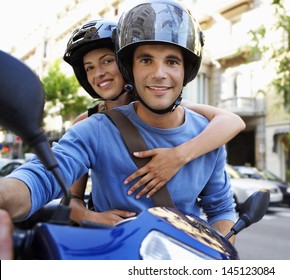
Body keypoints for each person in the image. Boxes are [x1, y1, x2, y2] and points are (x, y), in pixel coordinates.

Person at [0, 0, 237, 249]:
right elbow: (42, 178)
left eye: (172, 61)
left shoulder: (206, 133)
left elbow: (221, 209)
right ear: (130, 68)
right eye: (145, 60)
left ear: (186, 69)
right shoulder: (92, 128)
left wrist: (218, 257)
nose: (159, 73)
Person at [63, 18, 245, 225]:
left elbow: (230, 120)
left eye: (107, 61)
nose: (99, 73)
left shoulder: (161, 102)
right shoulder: (87, 126)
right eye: (89, 68)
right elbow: (71, 198)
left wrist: (177, 156)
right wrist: (93, 217)